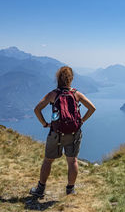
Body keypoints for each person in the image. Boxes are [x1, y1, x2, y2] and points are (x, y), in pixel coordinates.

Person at [30, 66, 96, 197]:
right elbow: (92, 108)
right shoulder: (76, 94)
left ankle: (40, 189)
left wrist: (45, 124)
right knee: (73, 161)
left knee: (48, 161)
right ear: (71, 79)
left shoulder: (53, 94)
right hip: (74, 133)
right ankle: (70, 190)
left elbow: (37, 109)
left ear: (58, 79)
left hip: (56, 133)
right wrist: (81, 121)